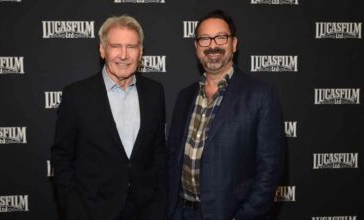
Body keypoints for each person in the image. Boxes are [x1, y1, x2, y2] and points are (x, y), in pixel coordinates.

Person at [167, 10, 286, 220]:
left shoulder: (261, 96)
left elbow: (271, 169)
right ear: (196, 47)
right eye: (204, 39)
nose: (212, 45)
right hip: (181, 212)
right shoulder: (185, 96)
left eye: (221, 37)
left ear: (234, 43)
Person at [51, 15, 167, 220]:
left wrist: (160, 205)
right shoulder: (76, 95)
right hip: (93, 211)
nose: (124, 55)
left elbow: (158, 151)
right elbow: (62, 158)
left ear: (141, 52)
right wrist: (74, 210)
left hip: (146, 211)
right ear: (102, 50)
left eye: (131, 47)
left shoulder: (154, 92)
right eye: (116, 46)